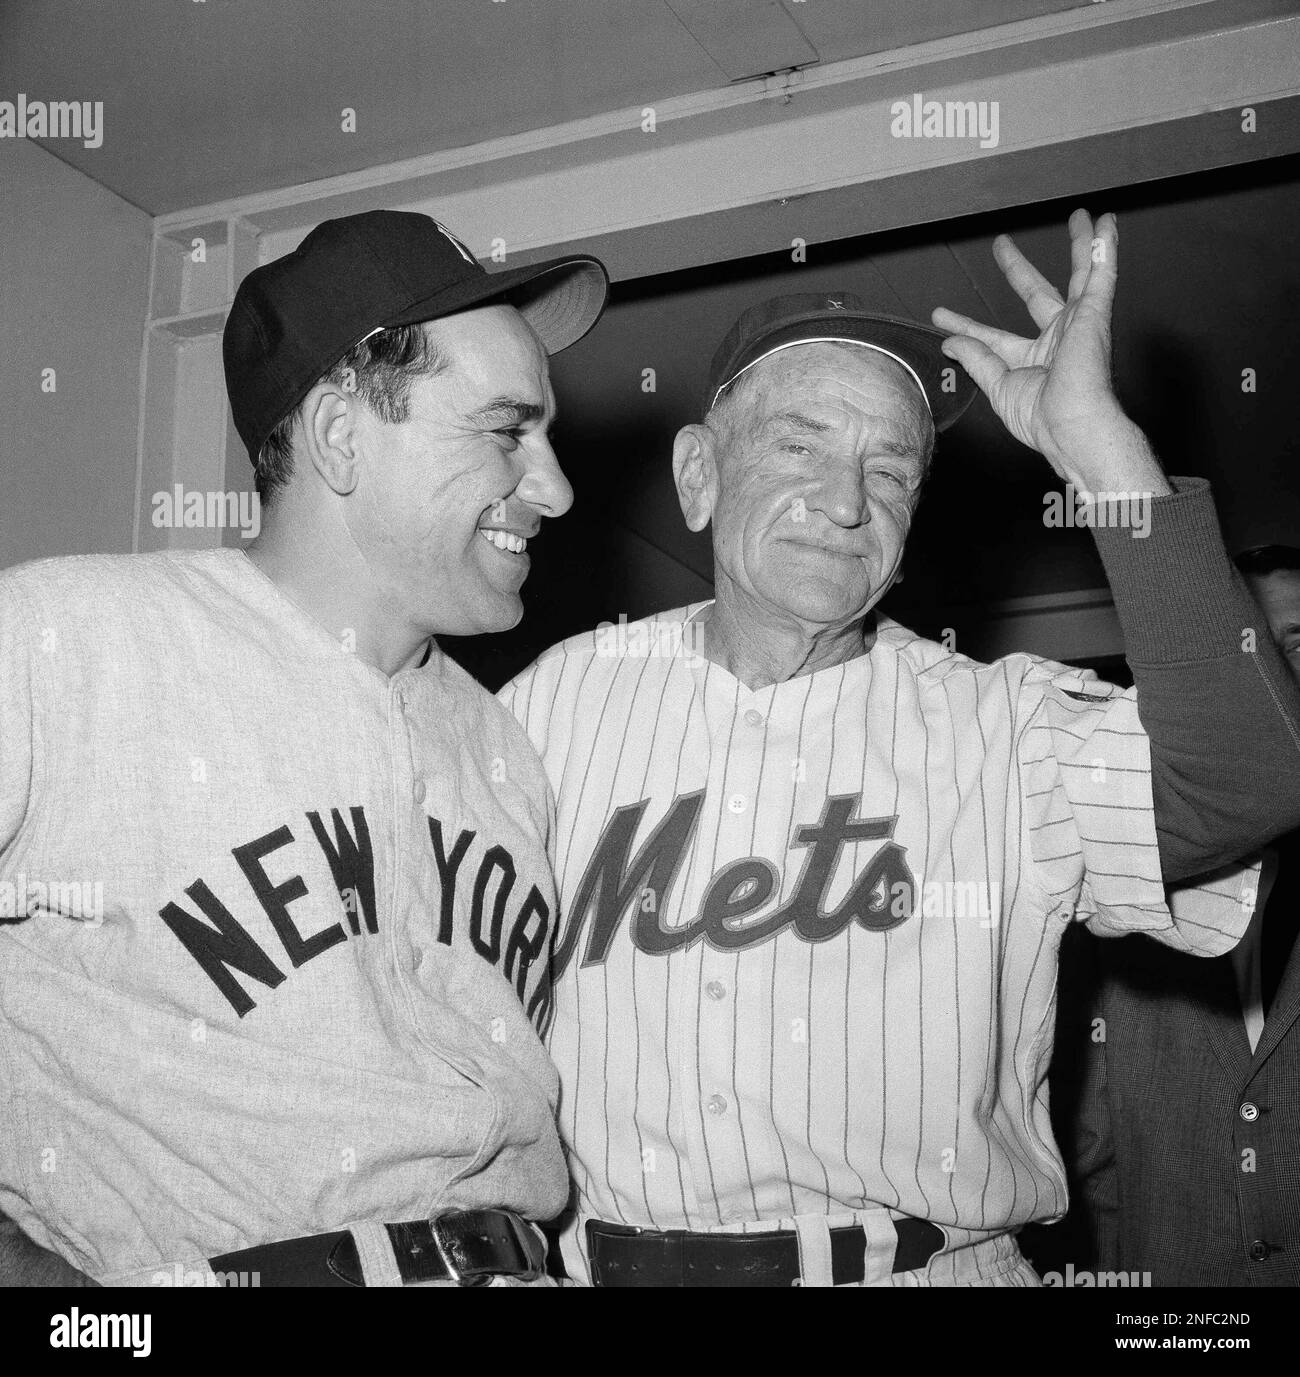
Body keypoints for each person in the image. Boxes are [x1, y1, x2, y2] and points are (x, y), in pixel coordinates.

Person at [500, 210, 1300, 1286]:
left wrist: (1099, 451)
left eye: (889, 473)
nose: (843, 504)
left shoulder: (1006, 729)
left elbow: (1250, 779)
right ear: (698, 476)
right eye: (799, 445)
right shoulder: (553, 704)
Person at [0, 209, 608, 1287]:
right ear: (339, 436)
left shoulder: (503, 747)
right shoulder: (63, 641)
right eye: (506, 431)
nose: (555, 487)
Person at [1056, 543, 1300, 1286]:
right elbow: (1090, 1160)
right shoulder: (1110, 881)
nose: (1266, 678)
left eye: (1295, 643)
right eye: (1242, 650)